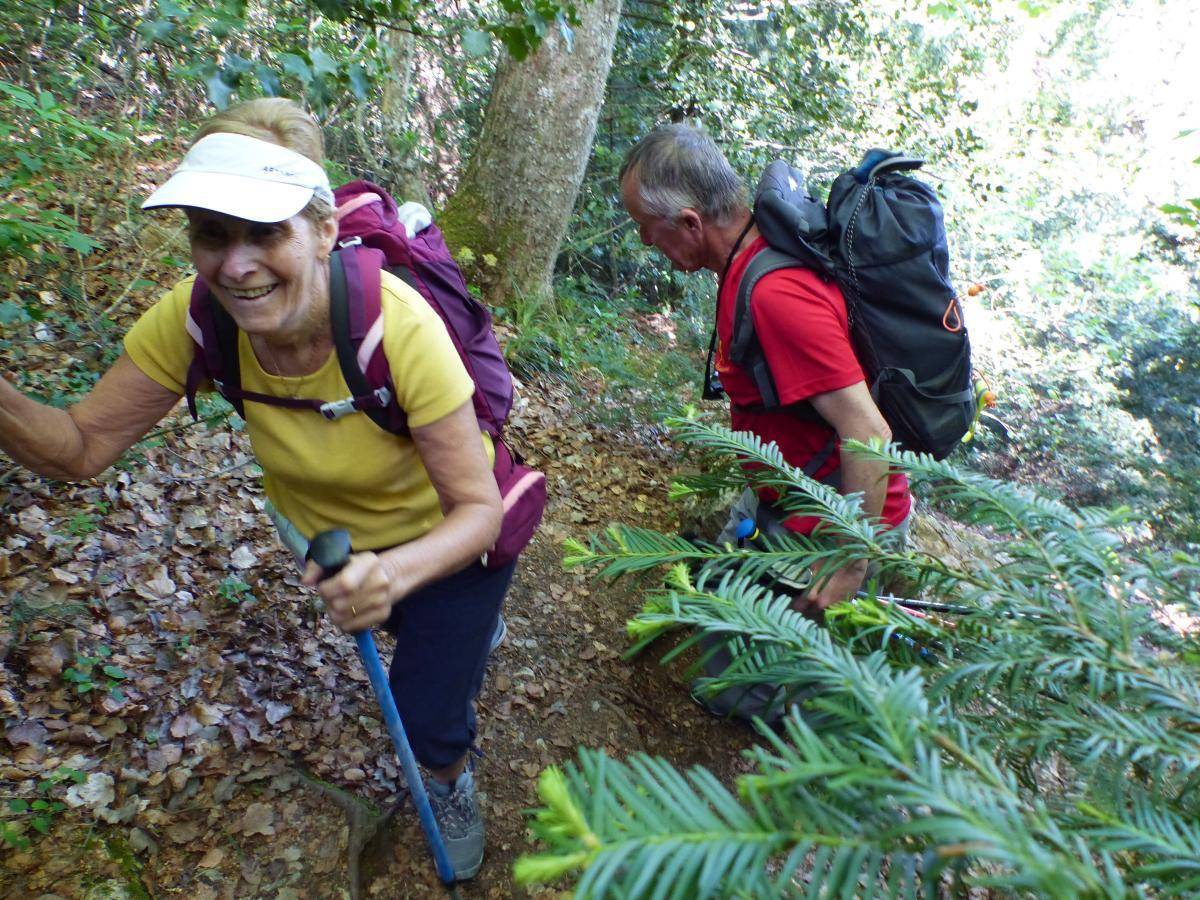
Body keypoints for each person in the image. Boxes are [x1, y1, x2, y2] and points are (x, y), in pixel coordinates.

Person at [0, 98, 509, 880]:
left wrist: (398, 571)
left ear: (322, 230)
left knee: (425, 710)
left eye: (266, 233)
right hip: (332, 536)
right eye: (211, 234)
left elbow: (478, 509)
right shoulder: (197, 318)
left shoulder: (396, 326)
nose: (235, 266)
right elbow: (80, 446)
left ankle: (447, 776)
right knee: (416, 638)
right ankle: (448, 643)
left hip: (448, 536)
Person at [619, 125, 912, 668]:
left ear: (690, 222)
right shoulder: (746, 262)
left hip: (839, 530)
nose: (644, 243)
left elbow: (868, 431)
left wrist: (851, 563)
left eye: (646, 229)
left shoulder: (777, 295)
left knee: (739, 686)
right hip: (795, 504)